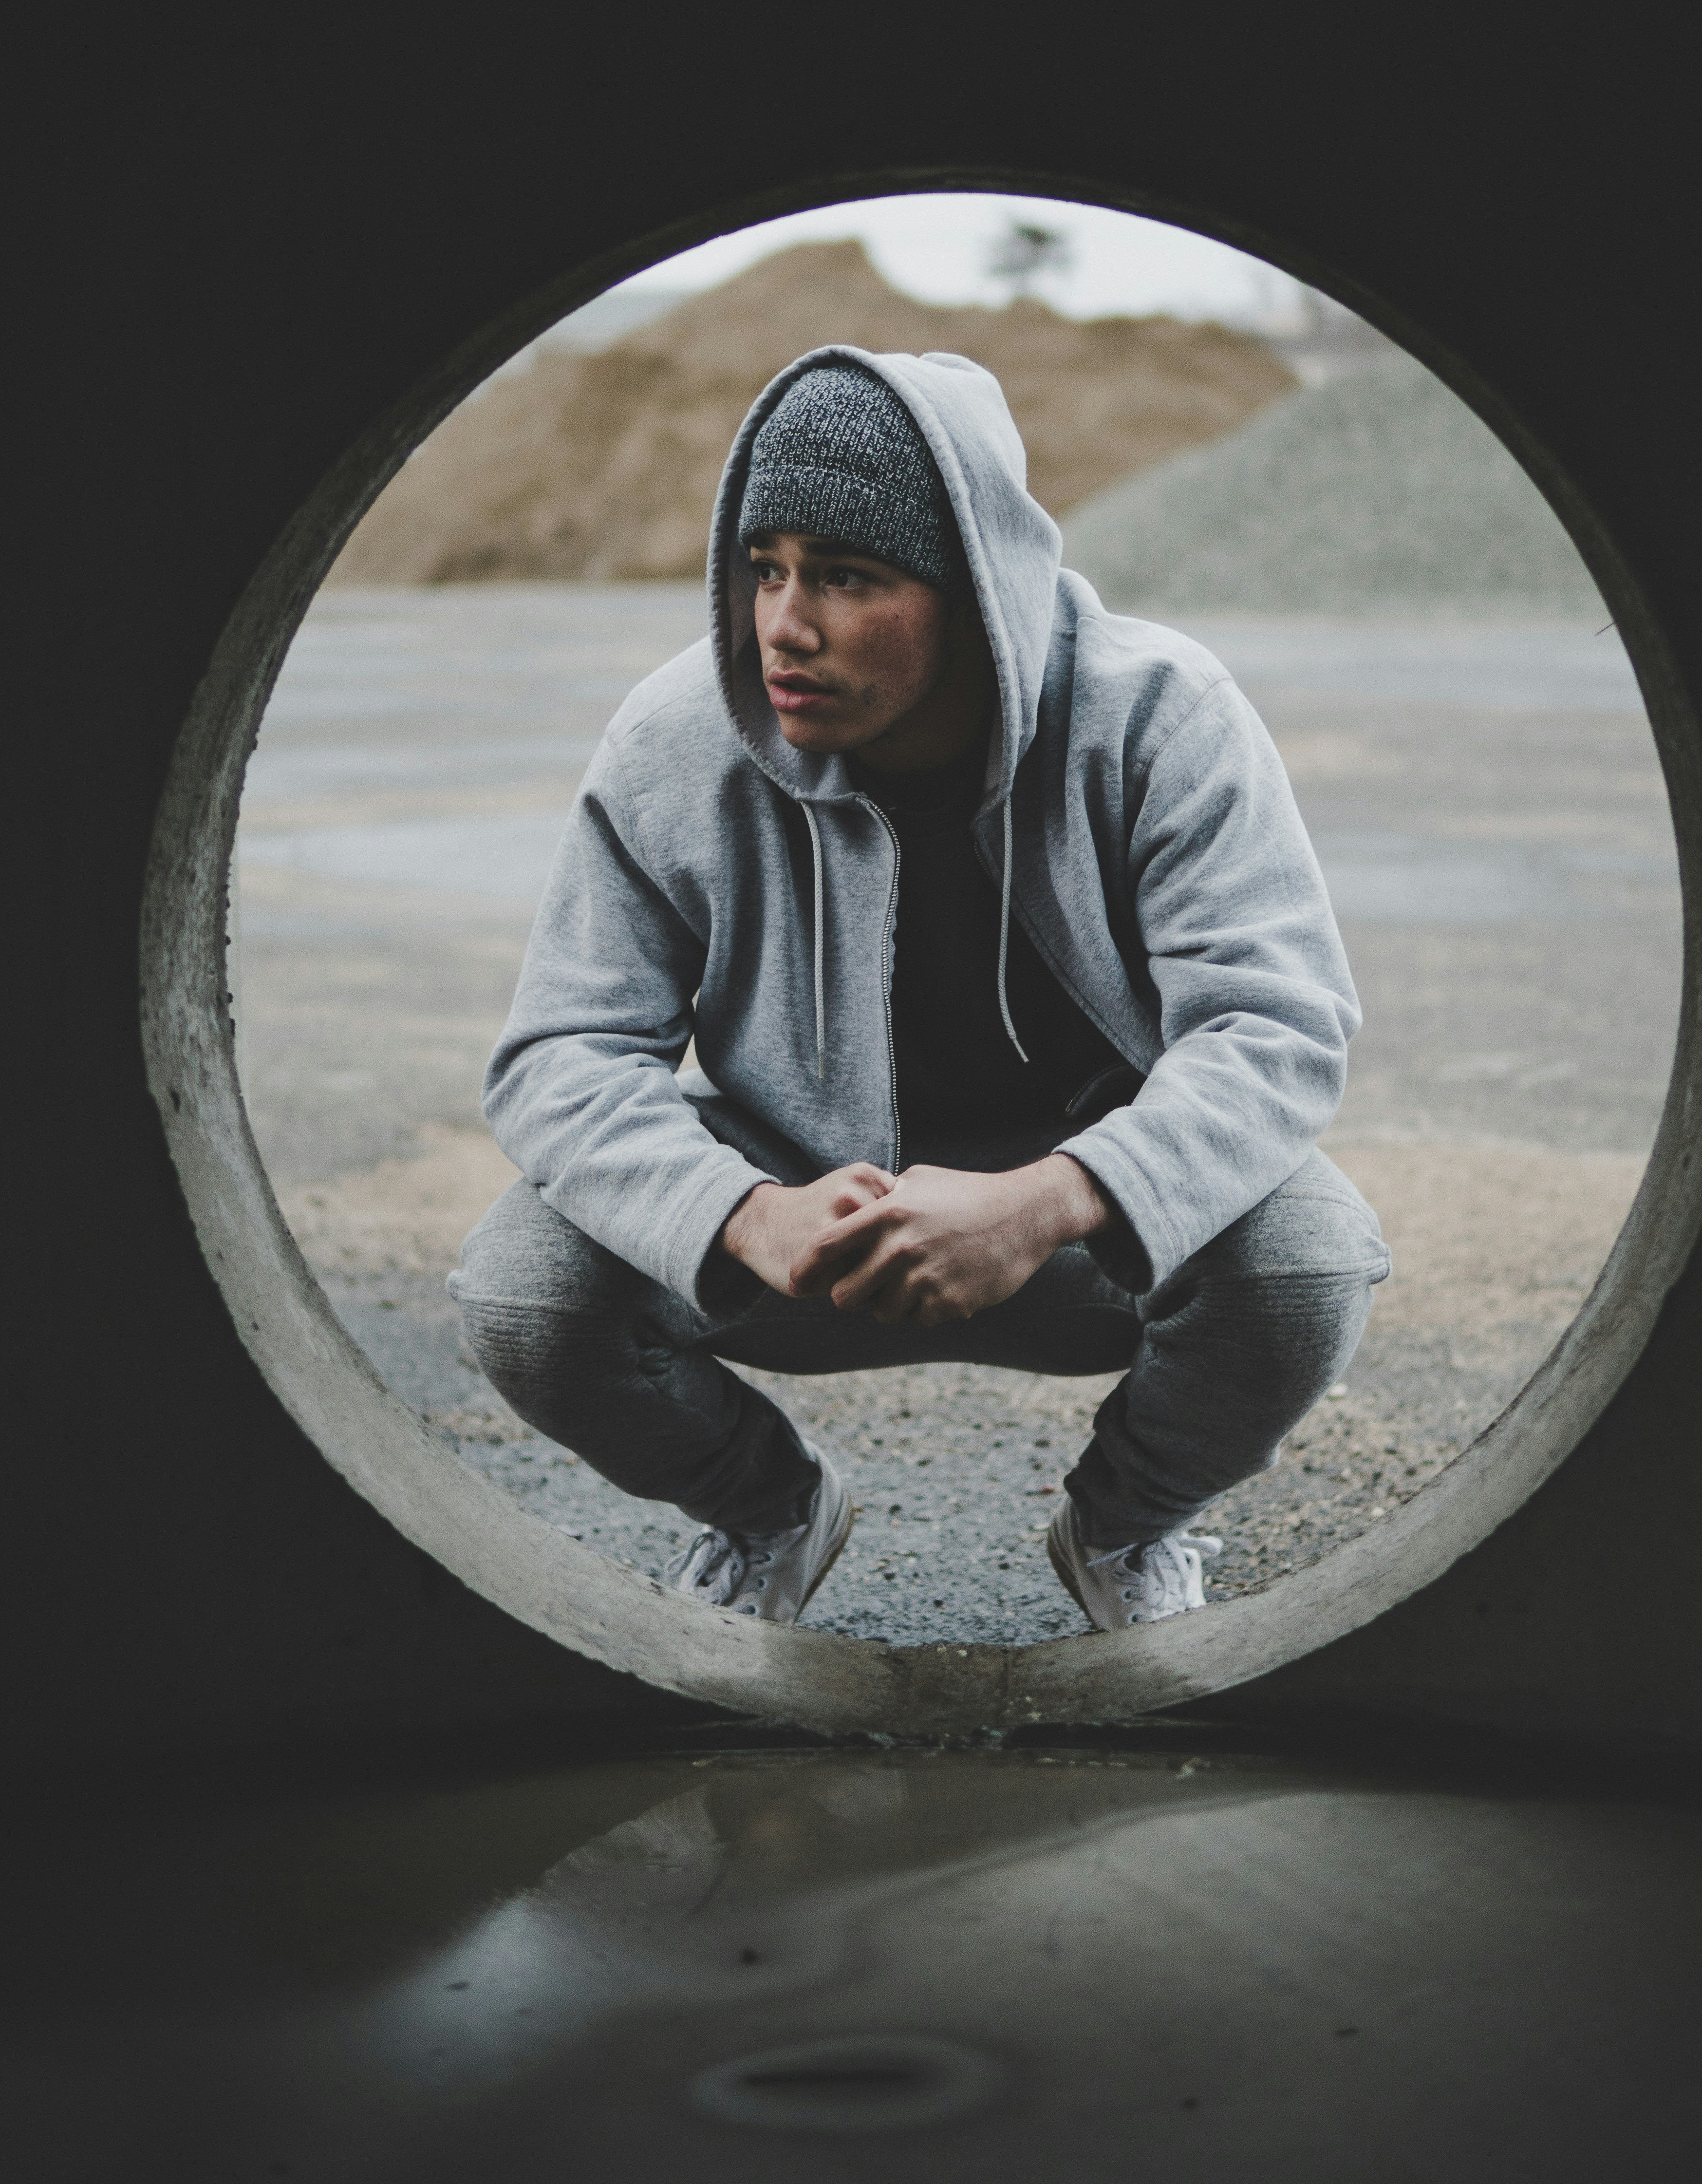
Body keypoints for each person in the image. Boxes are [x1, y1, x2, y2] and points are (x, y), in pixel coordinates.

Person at [452, 346, 1389, 1631]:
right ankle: (767, 1507)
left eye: (846, 576)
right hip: (804, 1227)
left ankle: (1127, 1527)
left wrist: (1041, 1203)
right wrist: (743, 1214)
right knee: (524, 1288)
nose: (784, 625)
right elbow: (562, 1055)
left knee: (1303, 1262)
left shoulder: (1160, 717)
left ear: (974, 589)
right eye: (763, 568)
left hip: (1072, 1239)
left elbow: (1275, 1030)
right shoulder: (676, 743)